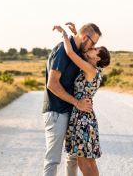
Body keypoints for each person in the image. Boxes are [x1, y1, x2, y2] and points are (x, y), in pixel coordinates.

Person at [43, 22, 101, 176]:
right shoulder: (62, 50)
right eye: (93, 43)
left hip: (73, 114)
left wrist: (73, 35)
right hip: (57, 112)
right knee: (53, 161)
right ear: (84, 37)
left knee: (73, 158)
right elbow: (52, 84)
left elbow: (77, 51)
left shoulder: (79, 54)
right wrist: (77, 102)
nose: (92, 47)